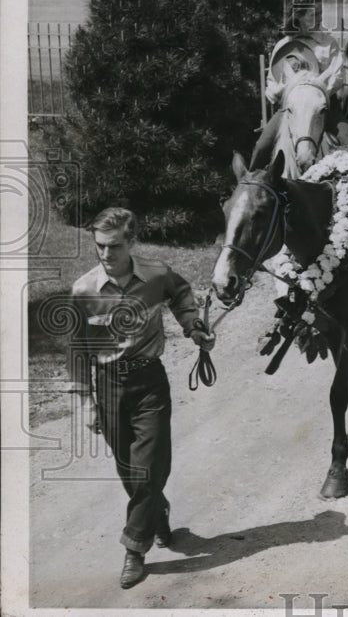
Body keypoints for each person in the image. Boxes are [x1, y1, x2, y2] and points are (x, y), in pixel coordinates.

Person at [69, 208, 216, 589]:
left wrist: (193, 326)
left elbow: (181, 294)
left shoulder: (156, 274)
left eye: (114, 246)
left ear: (131, 242)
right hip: (108, 387)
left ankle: (134, 549)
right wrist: (85, 400)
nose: (106, 254)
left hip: (150, 382)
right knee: (130, 472)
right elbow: (78, 350)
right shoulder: (84, 290)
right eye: (100, 246)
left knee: (149, 469)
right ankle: (156, 512)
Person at [249, 0, 348, 170]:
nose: (320, 18)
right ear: (299, 16)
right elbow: (272, 83)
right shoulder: (284, 45)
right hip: (290, 109)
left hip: (324, 107)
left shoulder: (328, 43)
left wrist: (315, 93)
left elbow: (337, 75)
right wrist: (284, 91)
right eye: (314, 14)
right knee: (261, 147)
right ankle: (252, 180)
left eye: (321, 13)